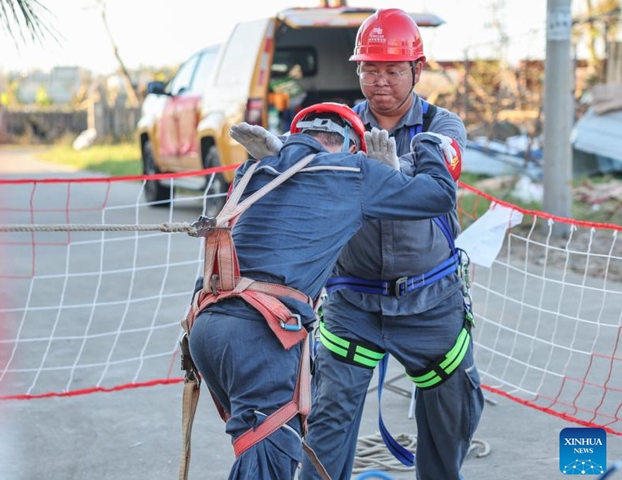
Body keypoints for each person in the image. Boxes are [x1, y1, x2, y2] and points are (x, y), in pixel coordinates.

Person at [179, 102, 460, 480]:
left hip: (206, 330)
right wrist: (426, 145)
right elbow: (439, 195)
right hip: (260, 335)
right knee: (267, 461)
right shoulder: (352, 172)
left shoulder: (254, 170)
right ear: (352, 147)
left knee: (260, 451)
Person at [298, 8, 485, 480]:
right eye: (370, 69)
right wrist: (280, 158)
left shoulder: (443, 126)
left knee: (453, 418)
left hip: (431, 303)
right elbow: (302, 164)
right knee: (326, 426)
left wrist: (396, 173)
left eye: (392, 70)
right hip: (353, 305)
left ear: (417, 71)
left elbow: (437, 180)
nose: (380, 81)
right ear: (357, 69)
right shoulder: (338, 130)